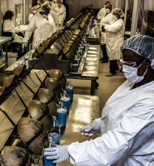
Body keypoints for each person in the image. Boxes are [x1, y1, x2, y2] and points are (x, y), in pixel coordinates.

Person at [45, 35, 154, 166]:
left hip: (134, 162)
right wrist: (100, 124)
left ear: (148, 63)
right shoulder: (134, 82)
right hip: (119, 158)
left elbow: (120, 141)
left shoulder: (150, 102)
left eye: (130, 64)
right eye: (123, 62)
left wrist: (71, 151)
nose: (125, 68)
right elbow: (119, 113)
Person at [102, 8, 125, 77]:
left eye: (115, 14)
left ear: (118, 15)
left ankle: (112, 71)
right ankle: (116, 68)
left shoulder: (120, 22)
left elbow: (113, 29)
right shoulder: (116, 20)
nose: (113, 15)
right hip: (113, 41)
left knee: (114, 56)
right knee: (113, 56)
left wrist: (105, 27)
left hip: (117, 41)